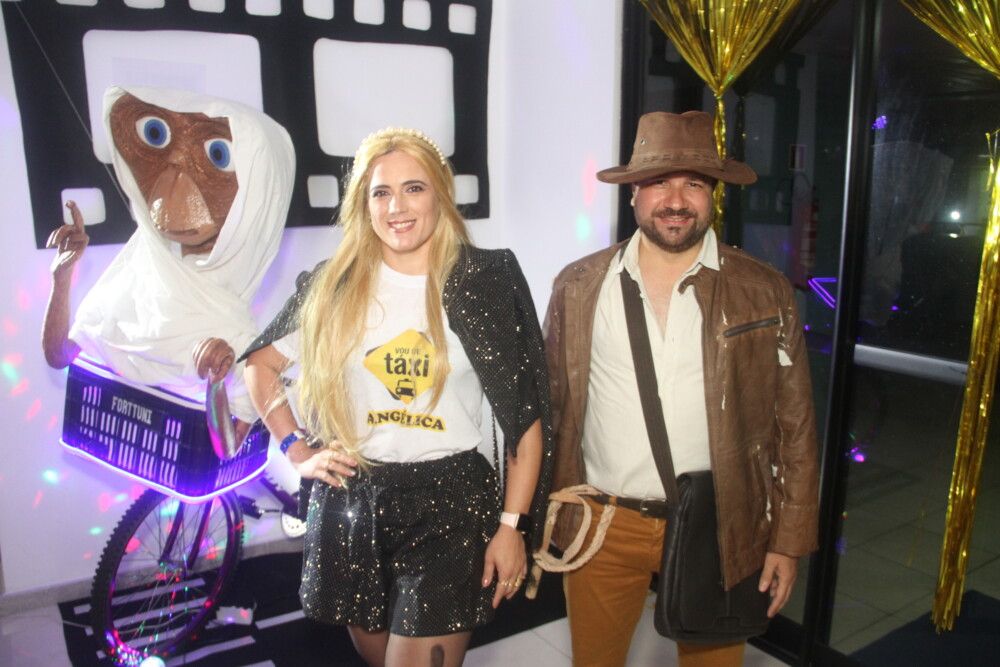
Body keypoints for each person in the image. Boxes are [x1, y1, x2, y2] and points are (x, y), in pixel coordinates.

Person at [244, 127, 553, 667]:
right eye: (381, 193)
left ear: (441, 194)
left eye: (414, 188)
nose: (397, 207)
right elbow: (260, 364)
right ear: (363, 205)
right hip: (353, 498)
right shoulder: (334, 284)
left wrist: (512, 526)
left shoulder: (485, 279)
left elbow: (525, 419)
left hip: (451, 505)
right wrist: (296, 450)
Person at [543, 111, 819, 666]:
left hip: (722, 527)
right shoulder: (579, 285)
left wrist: (787, 541)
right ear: (633, 194)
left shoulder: (763, 290)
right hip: (604, 524)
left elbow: (796, 426)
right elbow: (550, 408)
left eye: (693, 183)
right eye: (658, 183)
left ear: (713, 194)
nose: (675, 200)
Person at [42, 86, 295, 439]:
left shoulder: (238, 338)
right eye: (157, 135)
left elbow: (228, 447)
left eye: (217, 156)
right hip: (118, 449)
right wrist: (62, 275)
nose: (174, 188)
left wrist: (216, 385)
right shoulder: (138, 276)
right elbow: (59, 355)